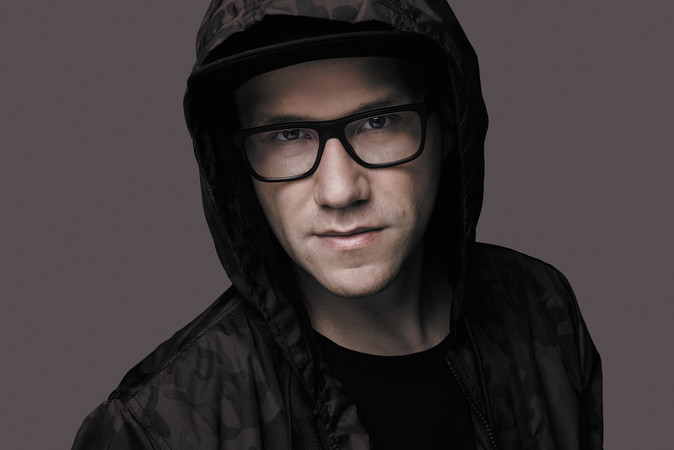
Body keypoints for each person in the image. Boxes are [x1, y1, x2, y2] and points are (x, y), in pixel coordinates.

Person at [72, 1, 602, 449]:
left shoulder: (541, 310)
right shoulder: (158, 428)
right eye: (287, 135)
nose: (340, 190)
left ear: (446, 125)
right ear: (237, 162)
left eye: (377, 121)